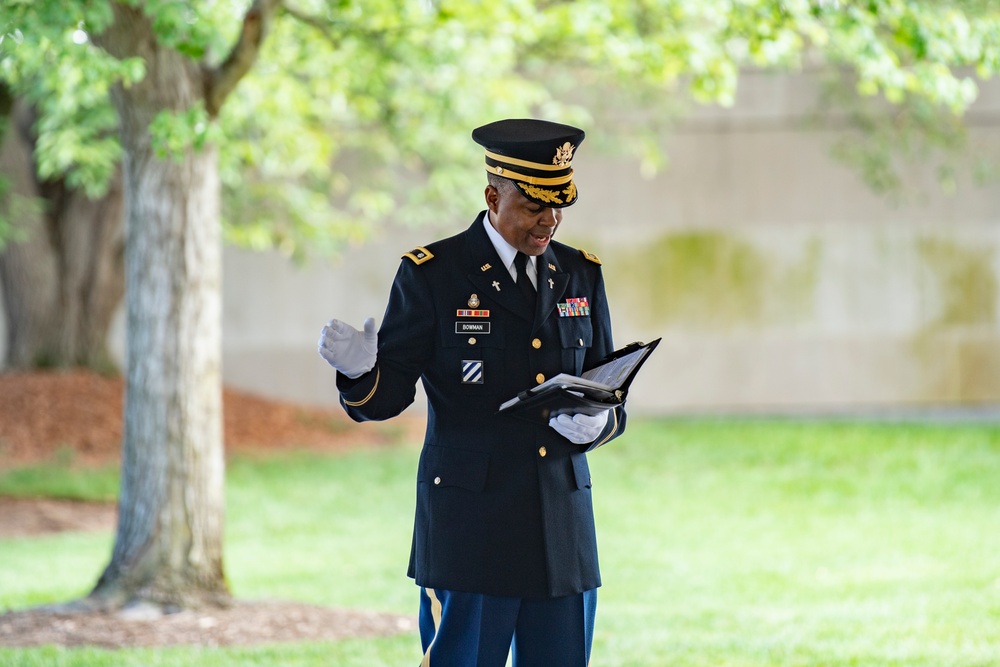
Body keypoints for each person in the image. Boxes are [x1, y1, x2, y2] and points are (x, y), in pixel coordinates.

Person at [318, 118, 627, 666]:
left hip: (561, 526)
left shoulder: (581, 273)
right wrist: (360, 374)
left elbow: (607, 385)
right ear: (492, 195)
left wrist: (600, 423)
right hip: (472, 527)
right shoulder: (434, 275)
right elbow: (387, 398)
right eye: (535, 206)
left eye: (559, 207)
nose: (549, 221)